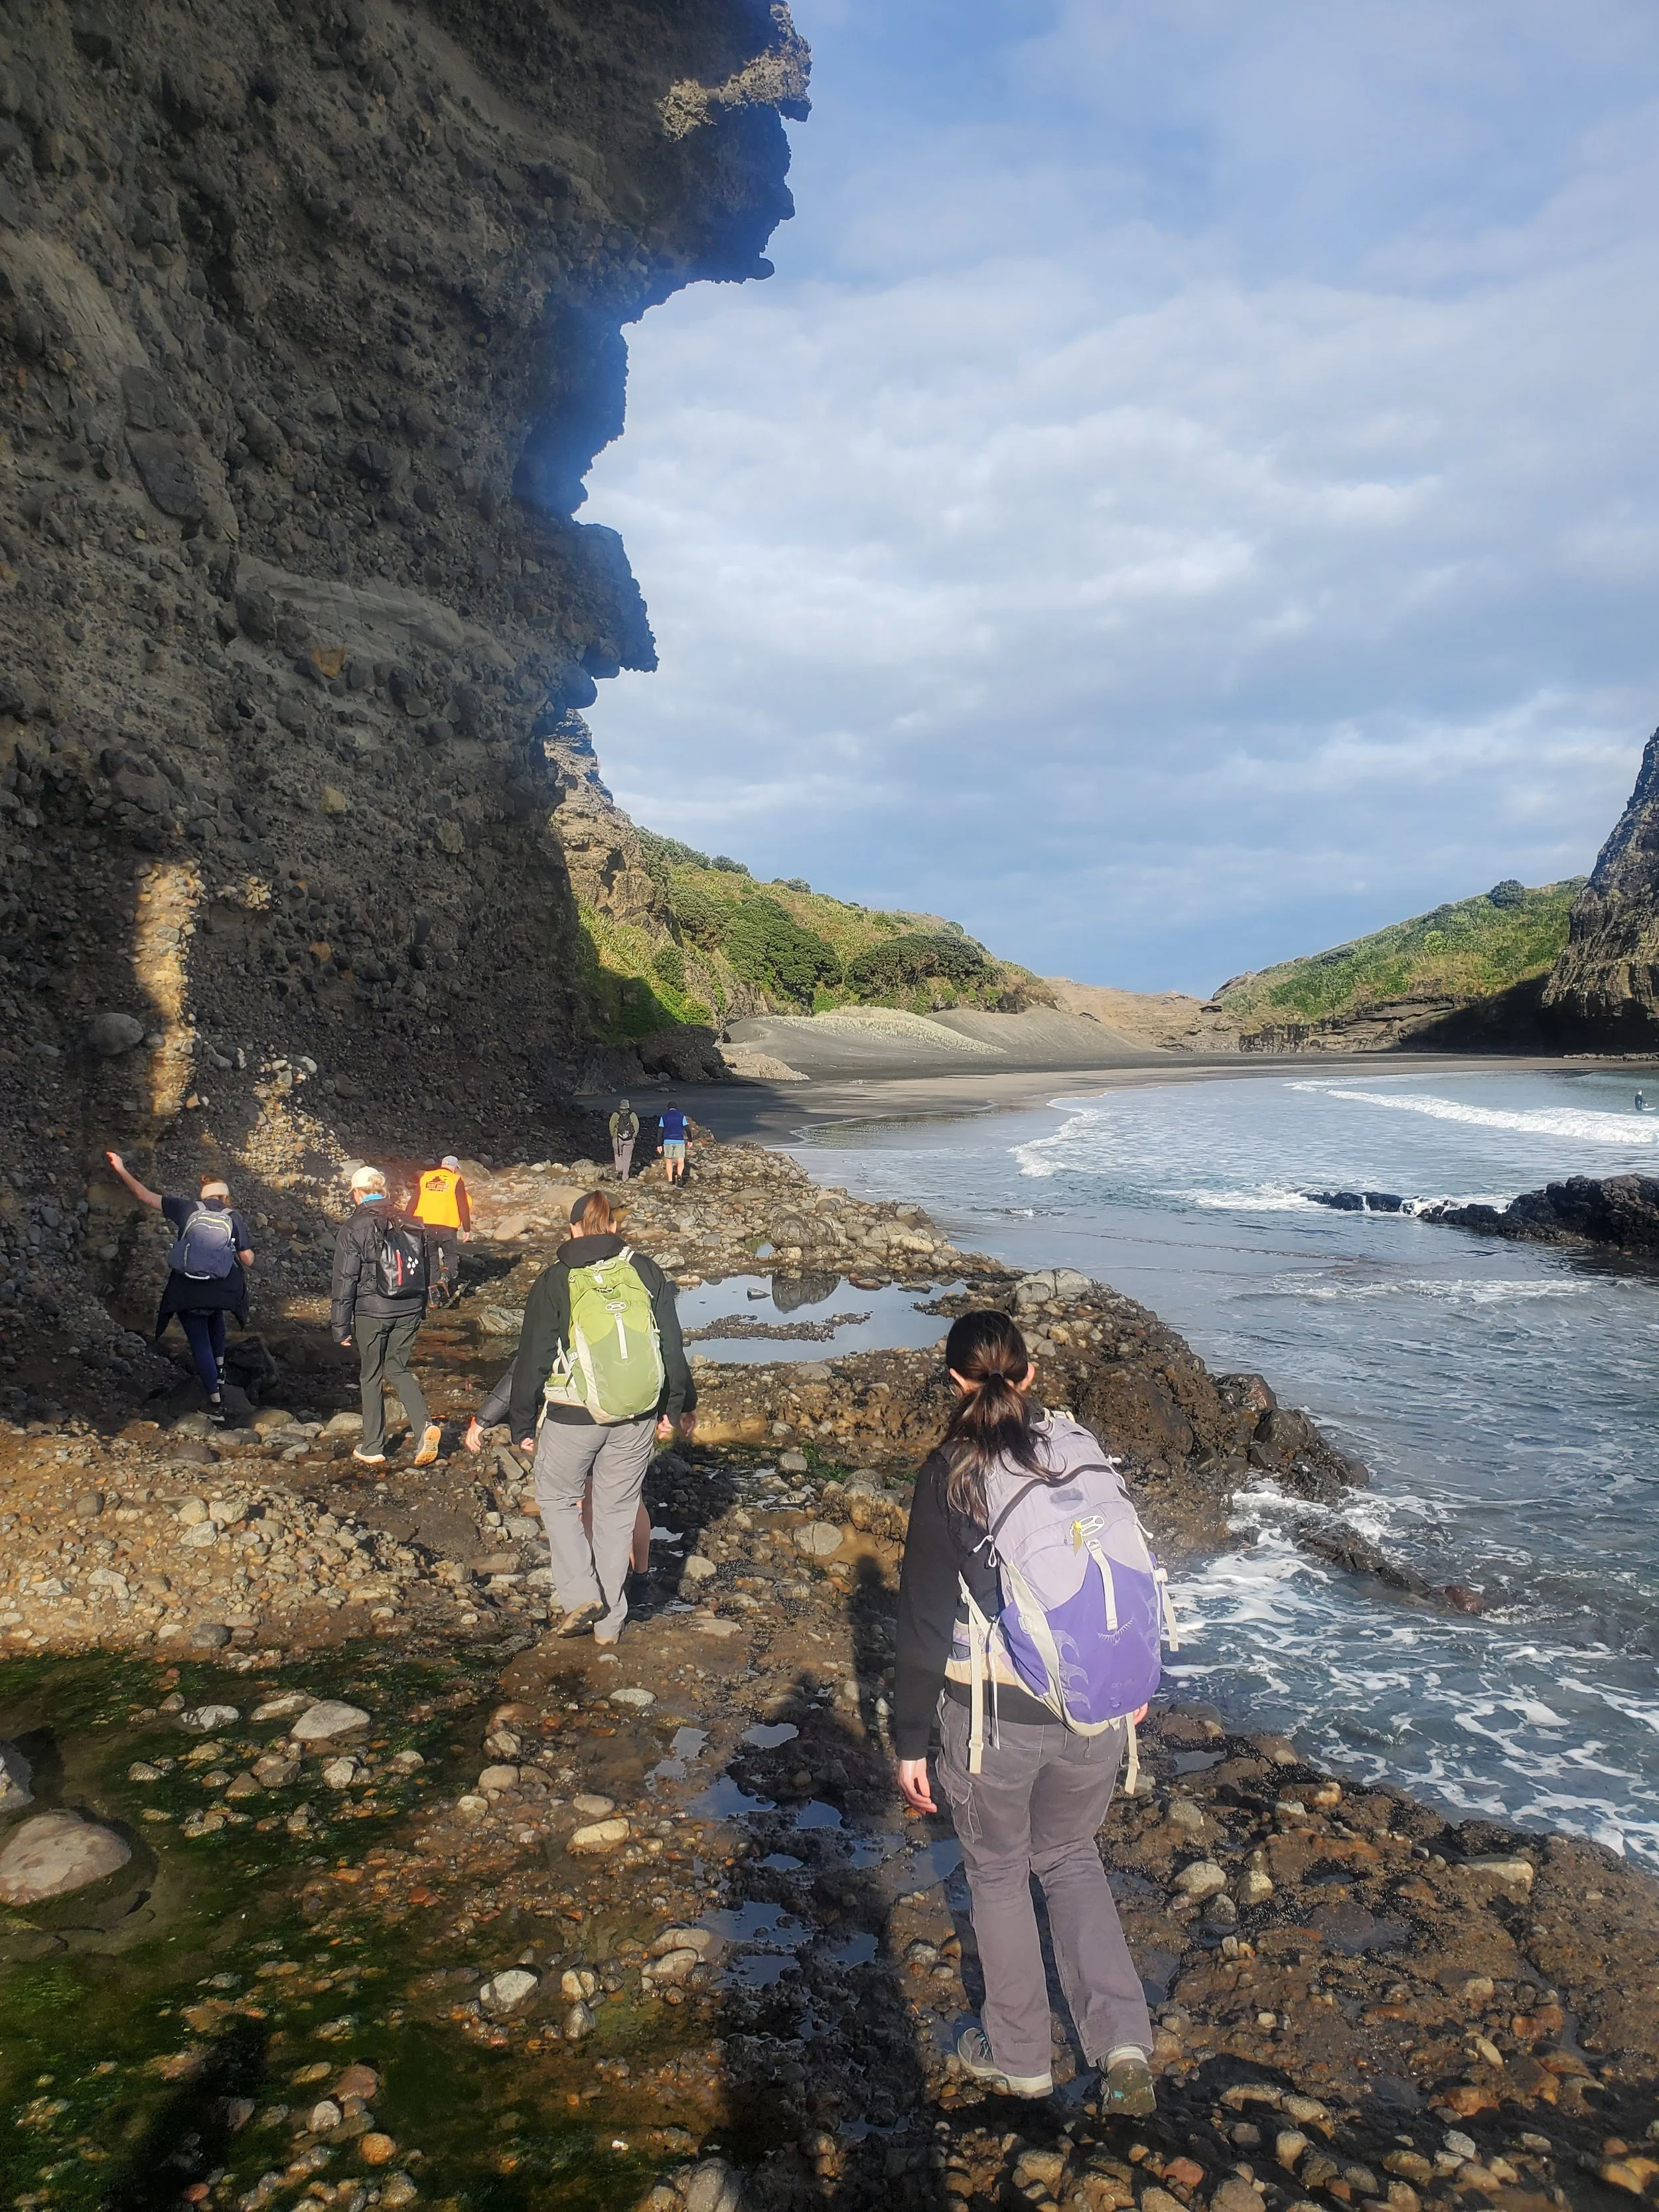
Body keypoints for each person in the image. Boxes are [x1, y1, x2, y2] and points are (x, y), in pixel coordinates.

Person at [893, 1308, 1157, 2113]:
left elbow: (923, 1622)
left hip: (995, 1722)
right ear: (1031, 1375)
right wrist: (1131, 1688)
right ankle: (1122, 2047)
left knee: (1001, 1874)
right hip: (1098, 1710)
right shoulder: (1076, 1448)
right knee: (1072, 1858)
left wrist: (908, 1742)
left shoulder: (951, 1472)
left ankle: (1020, 2058)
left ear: (954, 1379)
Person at [507, 1189, 695, 1643]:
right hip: (637, 1415)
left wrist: (521, 1420)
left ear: (572, 1229)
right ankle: (609, 1626)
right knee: (615, 1512)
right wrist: (677, 1407)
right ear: (612, 1226)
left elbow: (532, 1354)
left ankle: (580, 1596)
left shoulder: (556, 1279)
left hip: (574, 1415)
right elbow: (671, 1344)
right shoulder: (645, 1270)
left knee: (556, 1499)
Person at [105, 1151, 253, 1428]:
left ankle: (215, 1401)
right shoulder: (234, 1217)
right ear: (225, 1197)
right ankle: (219, 1381)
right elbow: (247, 1259)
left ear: (203, 1194)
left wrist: (121, 1169)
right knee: (215, 1317)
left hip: (186, 1289)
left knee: (199, 1341)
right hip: (220, 1290)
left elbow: (144, 1195)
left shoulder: (186, 1209)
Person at [465, 1370, 652, 1574]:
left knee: (588, 1501)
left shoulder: (565, 1334)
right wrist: (676, 1407)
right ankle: (641, 1573)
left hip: (580, 1416)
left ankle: (599, 1580)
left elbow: (525, 1367)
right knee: (631, 1499)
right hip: (634, 1412)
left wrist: (485, 1418)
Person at [330, 1165, 443, 1469]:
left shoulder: (354, 1227)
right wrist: (427, 1301)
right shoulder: (411, 1220)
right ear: (385, 1191)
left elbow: (345, 1279)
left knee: (370, 1375)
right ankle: (423, 1428)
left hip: (372, 1311)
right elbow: (431, 1264)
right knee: (398, 1367)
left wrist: (340, 1326)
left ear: (357, 1193)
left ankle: (373, 1446)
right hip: (410, 1307)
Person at [411, 1152, 470, 1292]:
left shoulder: (425, 1177)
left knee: (431, 1260)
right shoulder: (456, 1179)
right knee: (451, 1256)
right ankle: (445, 1277)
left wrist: (408, 1222)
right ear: (455, 1168)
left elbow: (414, 1201)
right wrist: (467, 1228)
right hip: (447, 1226)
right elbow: (462, 1205)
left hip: (425, 1226)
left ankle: (433, 1299)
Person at [609, 1099, 640, 1182]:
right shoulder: (632, 1115)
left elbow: (612, 1127)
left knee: (618, 1154)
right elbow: (636, 1126)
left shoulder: (616, 1115)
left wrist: (614, 1136)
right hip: (630, 1140)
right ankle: (625, 1176)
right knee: (627, 1158)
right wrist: (634, 1137)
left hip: (617, 1139)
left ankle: (619, 1170)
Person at [658, 1100, 689, 1185]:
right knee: (681, 1160)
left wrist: (659, 1144)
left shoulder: (664, 1117)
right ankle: (679, 1175)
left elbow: (660, 1131)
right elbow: (687, 1128)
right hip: (679, 1140)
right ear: (676, 1108)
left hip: (668, 1141)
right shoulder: (681, 1116)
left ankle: (670, 1180)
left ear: (668, 1108)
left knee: (669, 1160)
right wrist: (690, 1140)